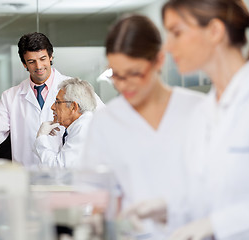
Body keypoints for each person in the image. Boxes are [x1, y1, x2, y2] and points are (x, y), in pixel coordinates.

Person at [127, 1, 249, 239]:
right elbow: (206, 195)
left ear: (215, 32)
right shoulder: (203, 112)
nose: (167, 46)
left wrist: (217, 225)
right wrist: (169, 207)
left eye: (176, 33)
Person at [80, 14, 205, 238]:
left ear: (159, 60)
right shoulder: (106, 120)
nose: (124, 85)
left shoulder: (199, 111)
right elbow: (95, 190)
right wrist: (96, 220)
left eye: (134, 73)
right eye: (116, 75)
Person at [0, 32, 103, 167]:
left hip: (61, 178)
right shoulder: (11, 97)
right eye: (32, 62)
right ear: (24, 64)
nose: (39, 66)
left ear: (51, 57)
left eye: (42, 59)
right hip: (26, 177)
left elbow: (106, 121)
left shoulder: (74, 87)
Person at [34, 78, 97, 168]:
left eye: (58, 102)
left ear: (73, 107)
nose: (52, 107)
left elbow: (59, 167)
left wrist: (41, 138)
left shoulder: (83, 127)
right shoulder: (80, 125)